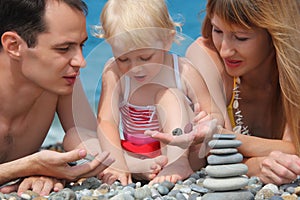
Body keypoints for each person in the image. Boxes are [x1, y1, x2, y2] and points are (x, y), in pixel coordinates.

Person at [66, 0, 224, 185]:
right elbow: (107, 121)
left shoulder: (183, 71)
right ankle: (135, 167)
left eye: (145, 57)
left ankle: (175, 164)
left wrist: (206, 123)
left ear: (167, 40)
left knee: (168, 95)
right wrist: (118, 162)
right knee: (74, 136)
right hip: (134, 152)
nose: (135, 69)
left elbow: (215, 115)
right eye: (124, 58)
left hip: (181, 150)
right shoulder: (114, 72)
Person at [148, 0, 300, 185]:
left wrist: (222, 136)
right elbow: (216, 153)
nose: (225, 50)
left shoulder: (294, 70)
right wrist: (256, 166)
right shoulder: (206, 55)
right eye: (217, 31)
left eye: (241, 38)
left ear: (275, 35)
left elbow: (295, 148)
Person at [0, 0, 114, 196]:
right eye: (63, 48)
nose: (81, 61)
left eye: (82, 45)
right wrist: (30, 167)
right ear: (14, 45)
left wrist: (59, 169)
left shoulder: (60, 81)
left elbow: (88, 142)